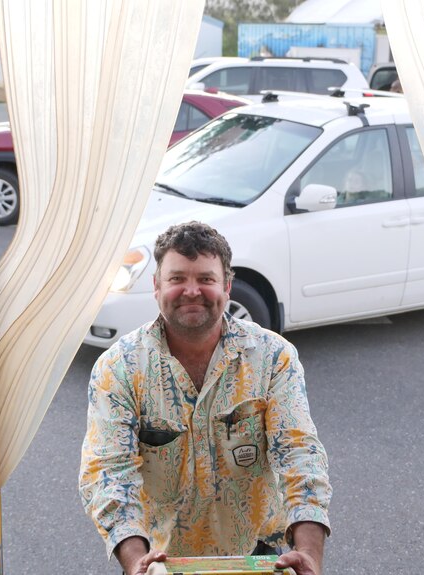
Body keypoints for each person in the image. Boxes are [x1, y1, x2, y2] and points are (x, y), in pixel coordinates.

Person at [80, 221, 331, 575]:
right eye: (177, 278)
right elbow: (108, 472)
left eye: (206, 279)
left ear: (227, 287)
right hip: (158, 564)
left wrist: (309, 552)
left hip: (258, 558)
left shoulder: (273, 357)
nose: (192, 291)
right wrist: (135, 561)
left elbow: (298, 452)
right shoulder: (119, 368)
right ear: (156, 286)